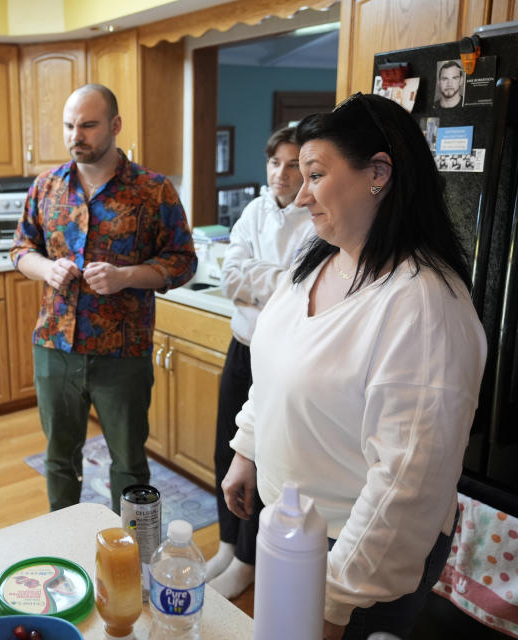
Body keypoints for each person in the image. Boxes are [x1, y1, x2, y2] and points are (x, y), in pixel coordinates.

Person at [221, 92, 486, 640]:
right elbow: (274, 368)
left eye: (315, 175)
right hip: (291, 528)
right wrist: (248, 450)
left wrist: (333, 599)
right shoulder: (314, 263)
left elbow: (407, 484)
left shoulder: (424, 305)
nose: (300, 199)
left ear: (379, 173)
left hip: (356, 558)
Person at [10, 84, 197, 512]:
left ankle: (132, 555)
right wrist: (46, 269)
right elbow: (21, 248)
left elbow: (183, 262)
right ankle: (68, 546)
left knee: (129, 462)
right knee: (58, 459)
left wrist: (125, 276)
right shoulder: (45, 187)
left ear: (114, 126)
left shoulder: (153, 190)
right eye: (70, 126)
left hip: (123, 352)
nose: (77, 135)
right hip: (56, 346)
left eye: (89, 125)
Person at [206, 126, 313, 600]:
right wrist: (280, 282)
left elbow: (305, 292)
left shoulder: (315, 217)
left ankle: (248, 560)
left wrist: (261, 281)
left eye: (293, 164)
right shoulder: (252, 210)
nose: (282, 174)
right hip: (242, 348)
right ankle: (228, 544)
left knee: (264, 458)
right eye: (275, 163)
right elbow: (231, 279)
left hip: (283, 359)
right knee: (226, 450)